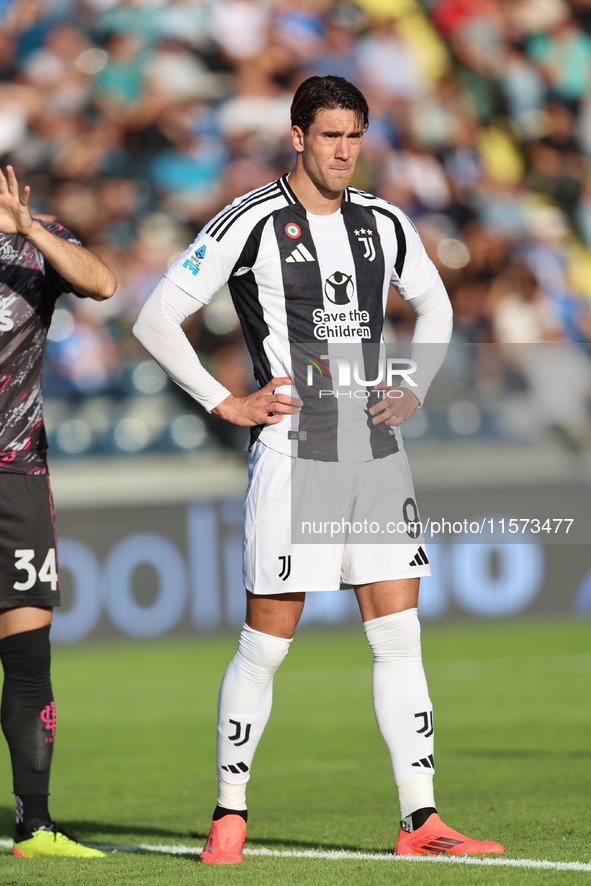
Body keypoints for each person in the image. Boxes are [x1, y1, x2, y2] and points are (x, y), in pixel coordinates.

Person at [134, 75, 504, 863]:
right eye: (329, 135)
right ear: (297, 136)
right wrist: (222, 401)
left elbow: (435, 307)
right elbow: (155, 316)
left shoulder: (383, 221)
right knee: (267, 643)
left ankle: (421, 822)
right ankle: (229, 814)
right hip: (294, 453)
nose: (343, 151)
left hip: (373, 451)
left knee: (398, 639)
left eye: (354, 135)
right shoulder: (252, 221)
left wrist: (412, 387)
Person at [0, 165, 116, 857]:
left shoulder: (31, 250)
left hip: (17, 474)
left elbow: (102, 283)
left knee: (28, 655)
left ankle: (34, 825)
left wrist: (31, 230)